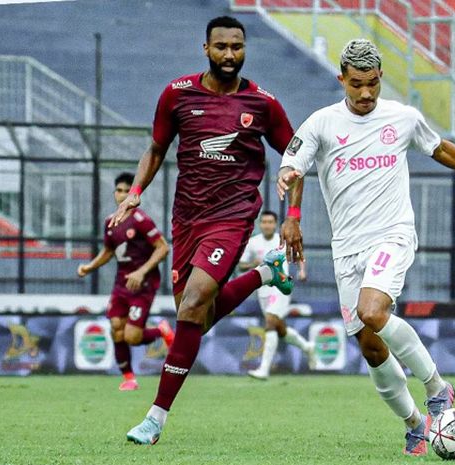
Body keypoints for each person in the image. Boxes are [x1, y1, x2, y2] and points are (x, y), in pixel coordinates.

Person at [277, 39, 455, 456]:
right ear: (341, 80)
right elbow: (295, 166)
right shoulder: (321, 123)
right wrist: (293, 216)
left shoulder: (402, 118)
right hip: (345, 248)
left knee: (373, 311)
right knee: (370, 345)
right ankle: (415, 424)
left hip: (392, 234)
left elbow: (439, 148)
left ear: (381, 77)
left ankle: (438, 387)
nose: (366, 94)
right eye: (356, 85)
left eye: (372, 84)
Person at [113, 16, 296, 445]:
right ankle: (265, 274)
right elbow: (157, 148)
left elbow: (295, 153)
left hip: (232, 217)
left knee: (193, 304)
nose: (230, 55)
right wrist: (136, 191)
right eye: (221, 47)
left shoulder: (263, 104)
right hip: (187, 218)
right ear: (206, 48)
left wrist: (294, 211)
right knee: (198, 315)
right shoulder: (177, 95)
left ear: (244, 49)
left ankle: (155, 419)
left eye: (237, 47)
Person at [77, 172, 172, 391]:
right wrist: (90, 267)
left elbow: (163, 248)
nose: (120, 195)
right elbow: (109, 251)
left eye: (125, 191)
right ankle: (129, 377)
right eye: (118, 190)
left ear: (133, 195)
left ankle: (161, 330)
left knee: (132, 336)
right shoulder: (110, 222)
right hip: (121, 284)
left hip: (143, 283)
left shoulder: (141, 220)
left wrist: (141, 272)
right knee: (116, 328)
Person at [238, 210, 314, 380]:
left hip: (280, 288)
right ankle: (307, 346)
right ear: (260, 224)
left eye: (270, 222)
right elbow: (241, 266)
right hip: (262, 291)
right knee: (279, 328)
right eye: (264, 222)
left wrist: (302, 271)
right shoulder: (253, 243)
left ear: (275, 224)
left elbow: (299, 254)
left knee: (270, 321)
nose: (267, 225)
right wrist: (253, 263)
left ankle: (264, 369)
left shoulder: (283, 241)